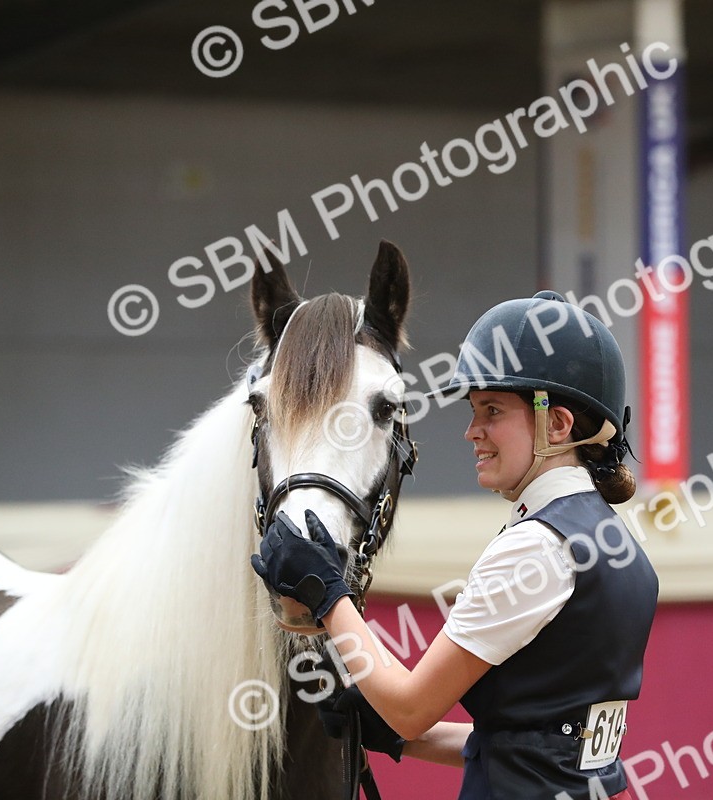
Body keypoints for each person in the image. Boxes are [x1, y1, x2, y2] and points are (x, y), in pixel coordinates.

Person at [252, 291, 659, 800]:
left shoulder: (535, 548)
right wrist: (393, 738)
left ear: (557, 424)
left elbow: (410, 705)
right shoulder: (618, 545)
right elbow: (534, 745)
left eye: (492, 411)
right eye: (473, 411)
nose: (471, 432)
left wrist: (328, 595)